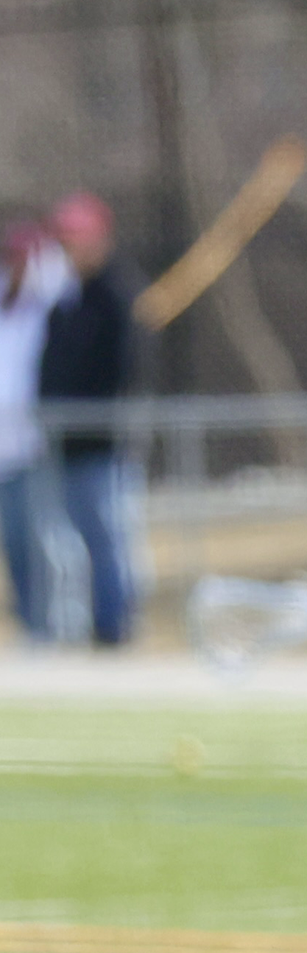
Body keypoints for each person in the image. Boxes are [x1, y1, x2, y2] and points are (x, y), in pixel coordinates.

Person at [40, 192, 143, 646]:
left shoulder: (115, 295)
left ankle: (114, 626)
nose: (69, 249)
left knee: (109, 535)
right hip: (67, 441)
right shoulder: (66, 298)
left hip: (103, 441)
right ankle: (84, 624)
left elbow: (120, 369)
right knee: (72, 540)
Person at [1, 220, 70, 644]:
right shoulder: (5, 303)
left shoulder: (50, 302)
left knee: (47, 538)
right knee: (14, 541)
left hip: (39, 444)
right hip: (5, 447)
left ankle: (59, 621)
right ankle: (32, 623)